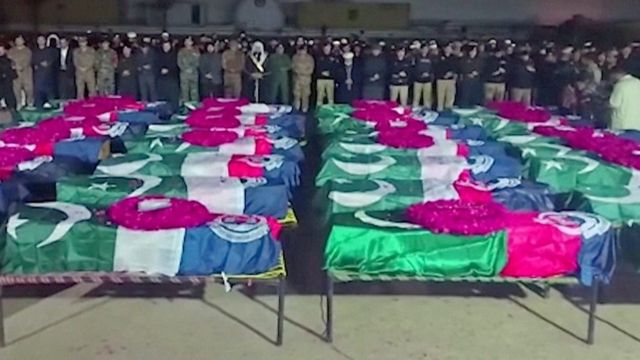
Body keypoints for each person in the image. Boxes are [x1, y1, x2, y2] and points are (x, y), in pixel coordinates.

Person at [31, 34, 57, 108]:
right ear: (37, 41)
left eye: (42, 40)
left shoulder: (50, 51)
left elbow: (54, 60)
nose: (41, 41)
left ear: (45, 41)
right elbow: (33, 62)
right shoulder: (35, 52)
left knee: (51, 98)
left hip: (48, 78)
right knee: (38, 98)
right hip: (38, 78)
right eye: (39, 40)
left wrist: (48, 63)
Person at [8, 35, 33, 108]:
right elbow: (10, 60)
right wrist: (14, 66)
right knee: (16, 89)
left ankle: (30, 103)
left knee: (29, 89)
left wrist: (21, 66)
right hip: (15, 73)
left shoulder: (27, 51)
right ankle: (18, 103)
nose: (19, 41)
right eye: (17, 40)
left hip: (26, 73)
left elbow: (27, 61)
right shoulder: (11, 51)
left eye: (20, 39)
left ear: (23, 41)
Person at [458, 43, 484, 108]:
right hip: (466, 82)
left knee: (475, 98)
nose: (472, 52)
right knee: (465, 98)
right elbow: (461, 68)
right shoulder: (463, 59)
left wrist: (477, 72)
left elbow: (482, 68)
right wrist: (468, 73)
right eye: (471, 51)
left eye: (474, 51)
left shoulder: (480, 60)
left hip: (476, 82)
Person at [435, 42, 458, 111]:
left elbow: (456, 68)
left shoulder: (454, 58)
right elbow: (436, 68)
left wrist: (452, 74)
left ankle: (448, 109)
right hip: (441, 80)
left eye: (449, 48)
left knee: (450, 97)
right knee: (440, 96)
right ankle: (440, 109)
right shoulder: (439, 57)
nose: (448, 50)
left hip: (451, 80)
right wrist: (443, 75)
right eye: (447, 48)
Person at [157, 41, 180, 109]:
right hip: (162, 80)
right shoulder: (159, 55)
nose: (166, 48)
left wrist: (168, 70)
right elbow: (156, 65)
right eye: (164, 46)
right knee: (162, 98)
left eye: (167, 46)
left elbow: (177, 66)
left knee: (173, 97)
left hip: (172, 79)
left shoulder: (175, 55)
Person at [292, 45, 314, 112]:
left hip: (306, 80)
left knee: (306, 95)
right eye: (301, 50)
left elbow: (311, 69)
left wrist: (303, 73)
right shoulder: (295, 57)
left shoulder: (310, 58)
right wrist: (299, 72)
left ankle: (305, 108)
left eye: (304, 50)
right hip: (297, 79)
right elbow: (293, 67)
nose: (303, 51)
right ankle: (296, 108)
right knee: (296, 94)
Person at [177, 36, 200, 102]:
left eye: (189, 41)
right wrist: (185, 69)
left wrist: (192, 69)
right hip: (184, 74)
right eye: (186, 41)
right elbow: (179, 62)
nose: (187, 42)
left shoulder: (196, 51)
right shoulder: (181, 51)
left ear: (192, 42)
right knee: (184, 91)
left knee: (194, 92)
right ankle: (185, 108)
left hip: (193, 74)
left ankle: (194, 107)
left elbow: (198, 62)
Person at [412, 43, 435, 108]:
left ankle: (427, 110)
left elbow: (433, 68)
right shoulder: (416, 57)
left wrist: (429, 75)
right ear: (421, 49)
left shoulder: (431, 57)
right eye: (424, 49)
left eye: (426, 49)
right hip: (418, 80)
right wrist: (420, 74)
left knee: (427, 98)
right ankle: (415, 109)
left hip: (427, 80)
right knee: (416, 97)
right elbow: (413, 68)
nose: (425, 50)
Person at [0, 44, 17, 110]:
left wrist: (9, 75)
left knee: (9, 95)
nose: (0, 51)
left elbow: (13, 70)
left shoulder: (10, 60)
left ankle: (12, 109)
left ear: (4, 50)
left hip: (7, 81)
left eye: (1, 50)